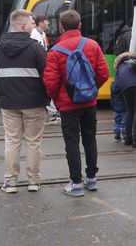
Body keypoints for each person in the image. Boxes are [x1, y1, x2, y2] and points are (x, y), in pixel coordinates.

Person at [43, 10, 109, 197]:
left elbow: (50, 82)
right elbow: (104, 73)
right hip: (89, 103)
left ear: (62, 27)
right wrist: (90, 91)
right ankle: (92, 179)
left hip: (68, 106)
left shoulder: (55, 51)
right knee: (90, 139)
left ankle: (76, 183)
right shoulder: (93, 45)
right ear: (80, 25)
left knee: (72, 142)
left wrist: (58, 100)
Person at [0, 9, 49, 193]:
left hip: (9, 104)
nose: (33, 26)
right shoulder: (36, 48)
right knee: (33, 142)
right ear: (23, 26)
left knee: (12, 142)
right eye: (31, 23)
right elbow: (47, 77)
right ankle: (33, 181)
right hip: (35, 104)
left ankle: (10, 182)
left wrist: (3, 94)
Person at [112, 52, 136, 148]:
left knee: (130, 110)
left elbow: (116, 82)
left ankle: (128, 139)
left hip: (125, 88)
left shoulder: (120, 67)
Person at [31, 15, 59, 122]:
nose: (48, 23)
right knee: (46, 87)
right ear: (41, 22)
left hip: (43, 65)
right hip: (38, 67)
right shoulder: (34, 34)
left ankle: (52, 112)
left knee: (46, 87)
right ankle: (52, 113)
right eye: (47, 21)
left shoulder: (42, 34)